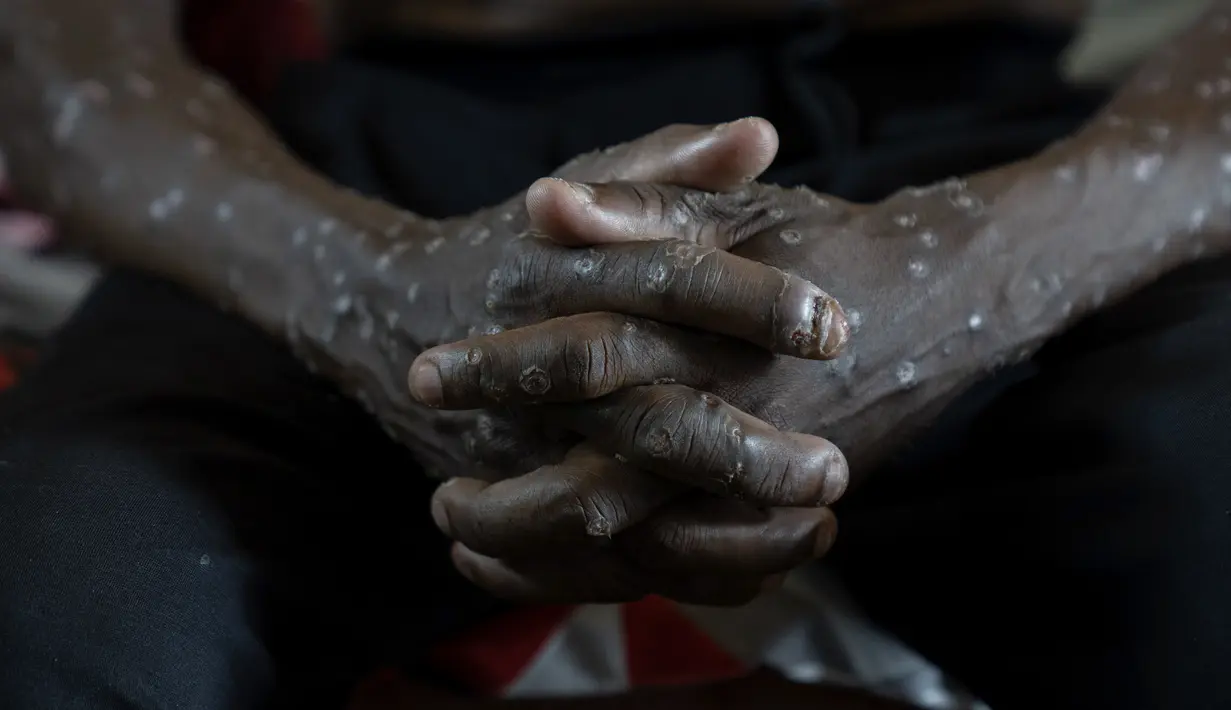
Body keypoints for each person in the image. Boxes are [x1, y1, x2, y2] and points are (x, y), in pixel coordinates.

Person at [0, 0, 1228, 708]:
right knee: (55, 602)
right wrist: (365, 288)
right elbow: (55, 56)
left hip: (1011, 164)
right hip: (360, 183)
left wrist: (967, 272)